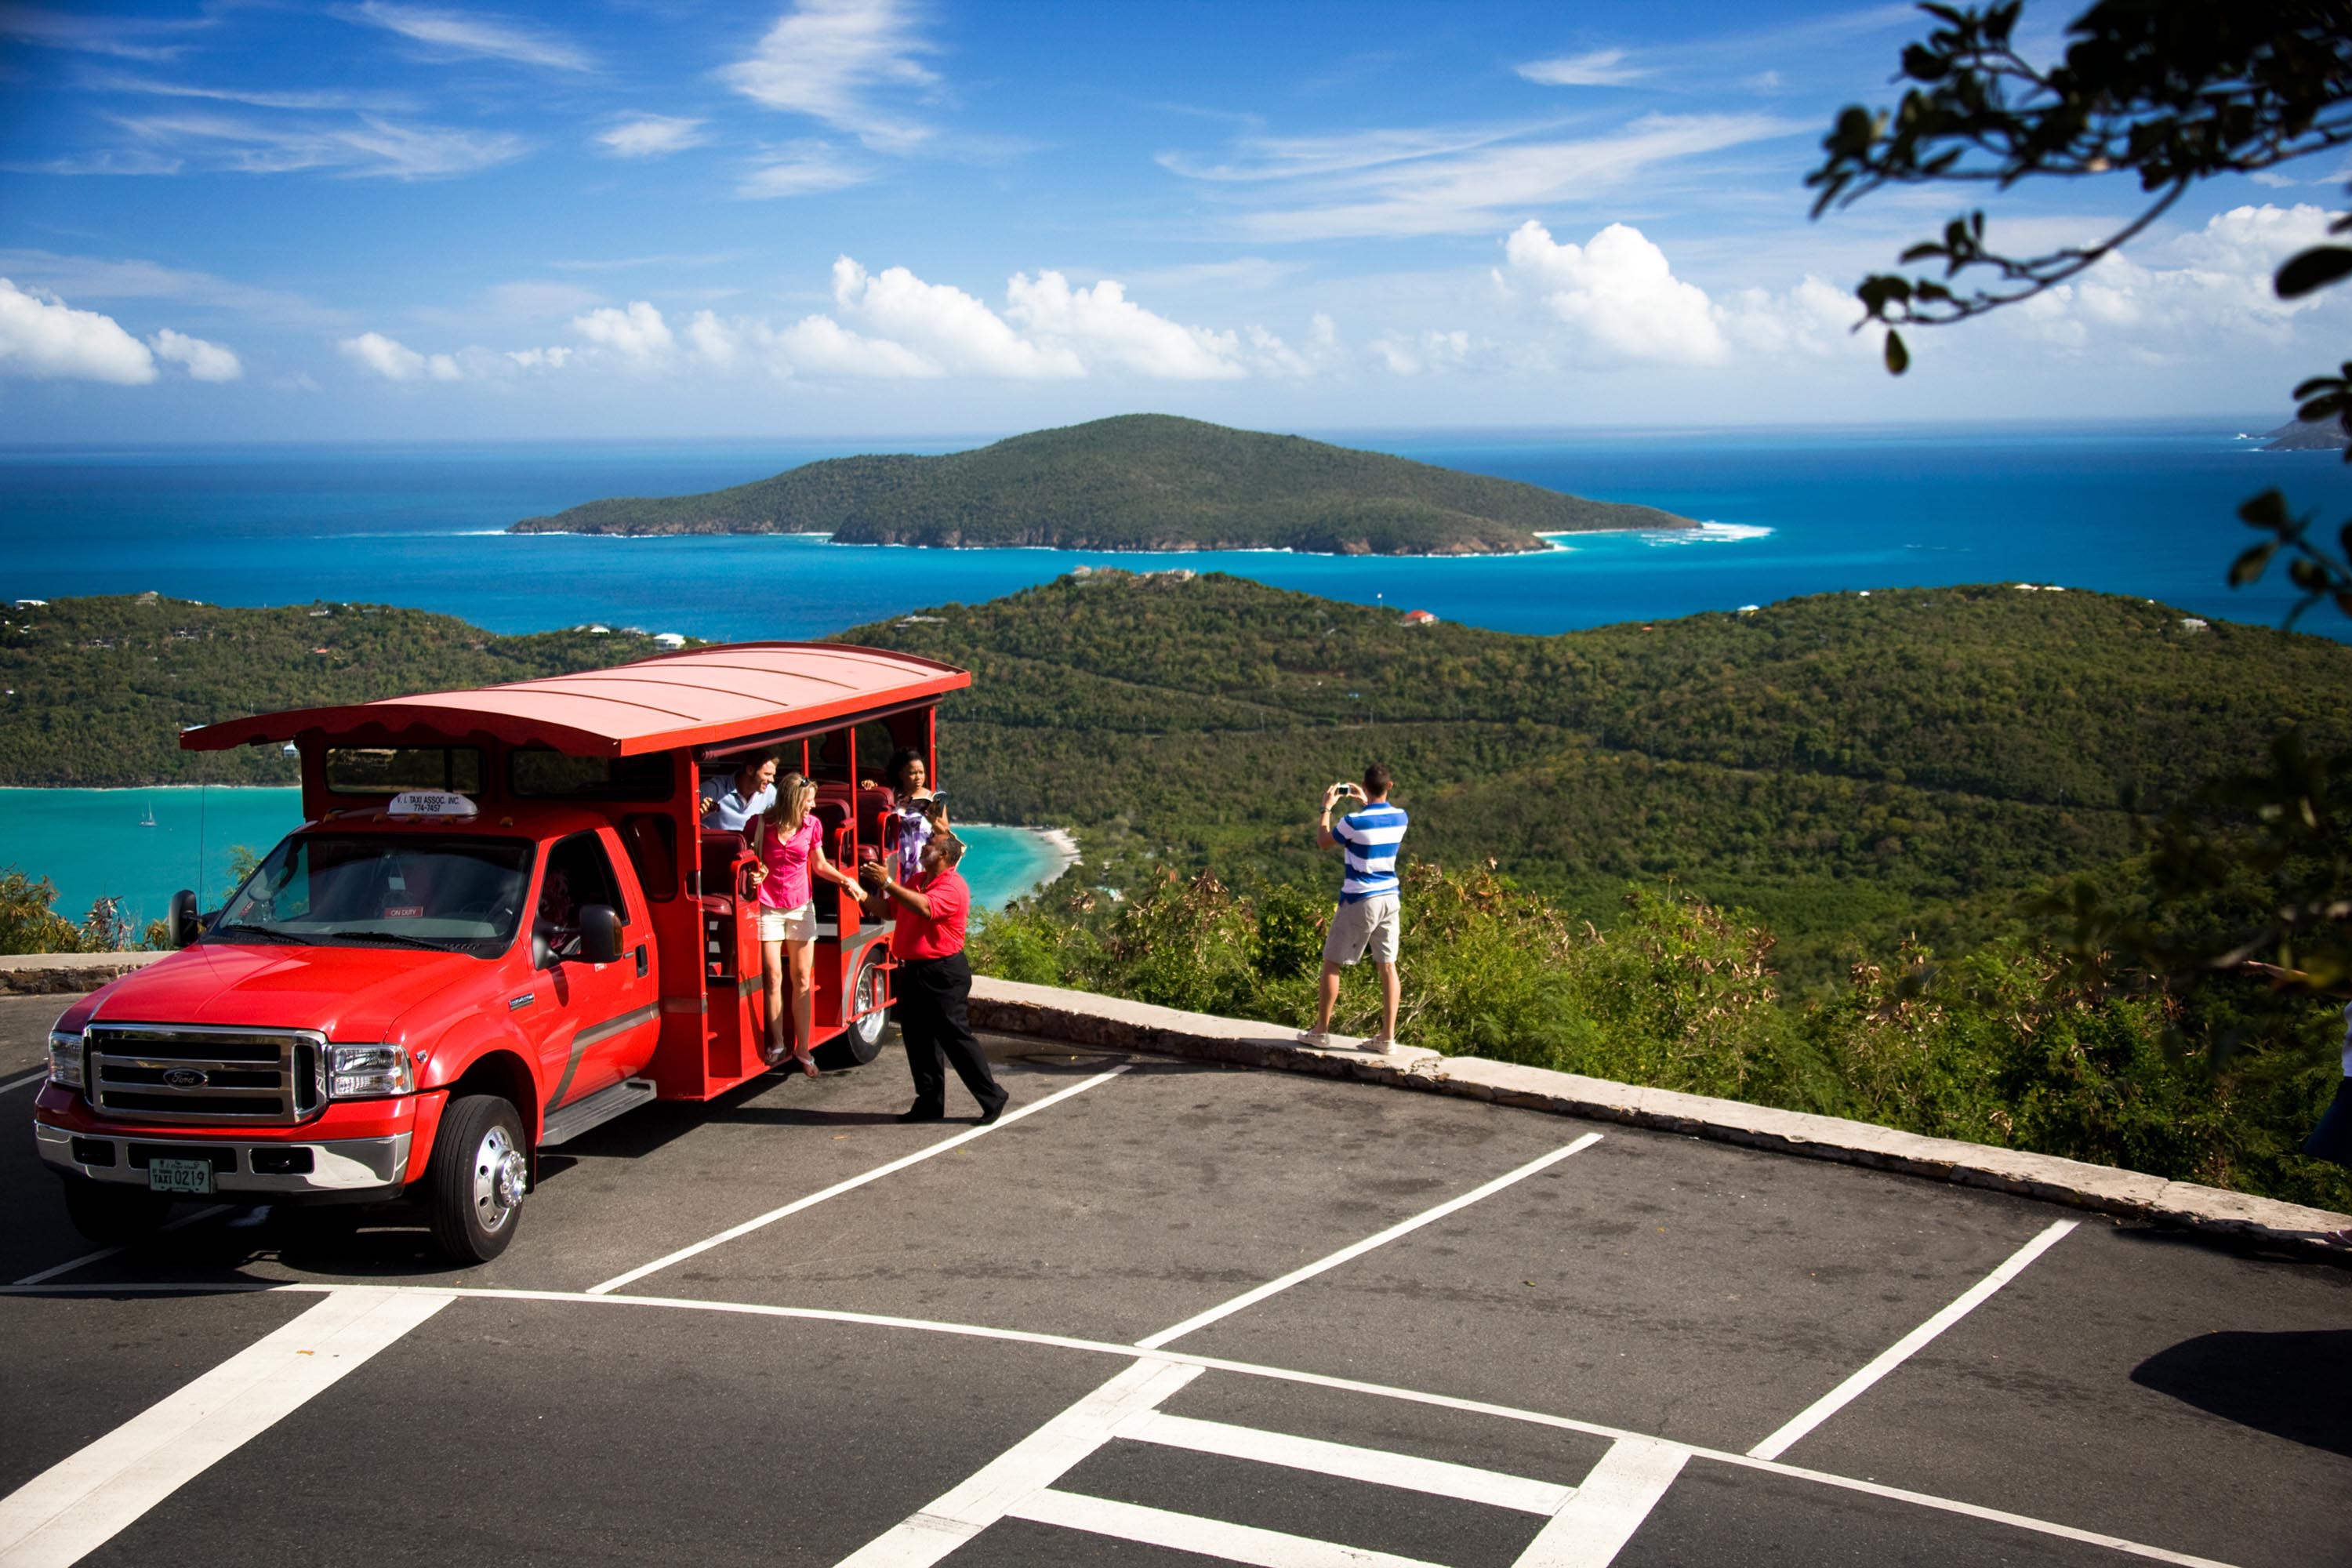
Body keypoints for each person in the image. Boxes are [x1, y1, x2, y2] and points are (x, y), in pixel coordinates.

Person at [861, 831, 1008, 1125]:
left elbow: (925, 907)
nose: (924, 844)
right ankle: (929, 1103)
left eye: (931, 843)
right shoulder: (917, 880)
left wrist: (887, 882)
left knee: (955, 1038)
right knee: (918, 1040)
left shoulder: (953, 886)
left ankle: (992, 1096)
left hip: (943, 972)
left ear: (944, 855)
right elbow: (890, 910)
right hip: (912, 970)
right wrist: (860, 893)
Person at [753, 773, 866, 1075]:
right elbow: (753, 860)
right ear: (793, 800)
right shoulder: (762, 824)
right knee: (772, 977)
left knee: (802, 978)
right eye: (809, 801)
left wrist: (846, 880)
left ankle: (803, 1048)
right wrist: (757, 871)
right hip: (768, 906)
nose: (813, 806)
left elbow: (820, 865)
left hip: (801, 906)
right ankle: (777, 1042)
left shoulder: (812, 825)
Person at [1298, 763, 1408, 1054]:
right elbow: (1378, 819)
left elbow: (1324, 842)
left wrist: (1326, 808)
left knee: (1332, 962)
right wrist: (1367, 801)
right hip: (1390, 897)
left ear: (1364, 785)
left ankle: (1321, 1031)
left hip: (1360, 898)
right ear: (1390, 786)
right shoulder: (1401, 817)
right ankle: (1387, 1038)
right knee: (1388, 966)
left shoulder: (1353, 822)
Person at [872, 747, 937, 883]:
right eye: (913, 773)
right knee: (893, 887)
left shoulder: (932, 798)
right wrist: (870, 785)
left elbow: (945, 832)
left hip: (921, 853)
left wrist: (933, 821)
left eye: (921, 772)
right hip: (896, 850)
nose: (918, 777)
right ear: (901, 774)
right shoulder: (891, 794)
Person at [702, 754, 777, 835]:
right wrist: (701, 814)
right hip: (716, 842)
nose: (772, 780)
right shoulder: (713, 789)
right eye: (767, 774)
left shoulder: (770, 792)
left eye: (773, 775)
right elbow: (691, 819)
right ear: (750, 770)